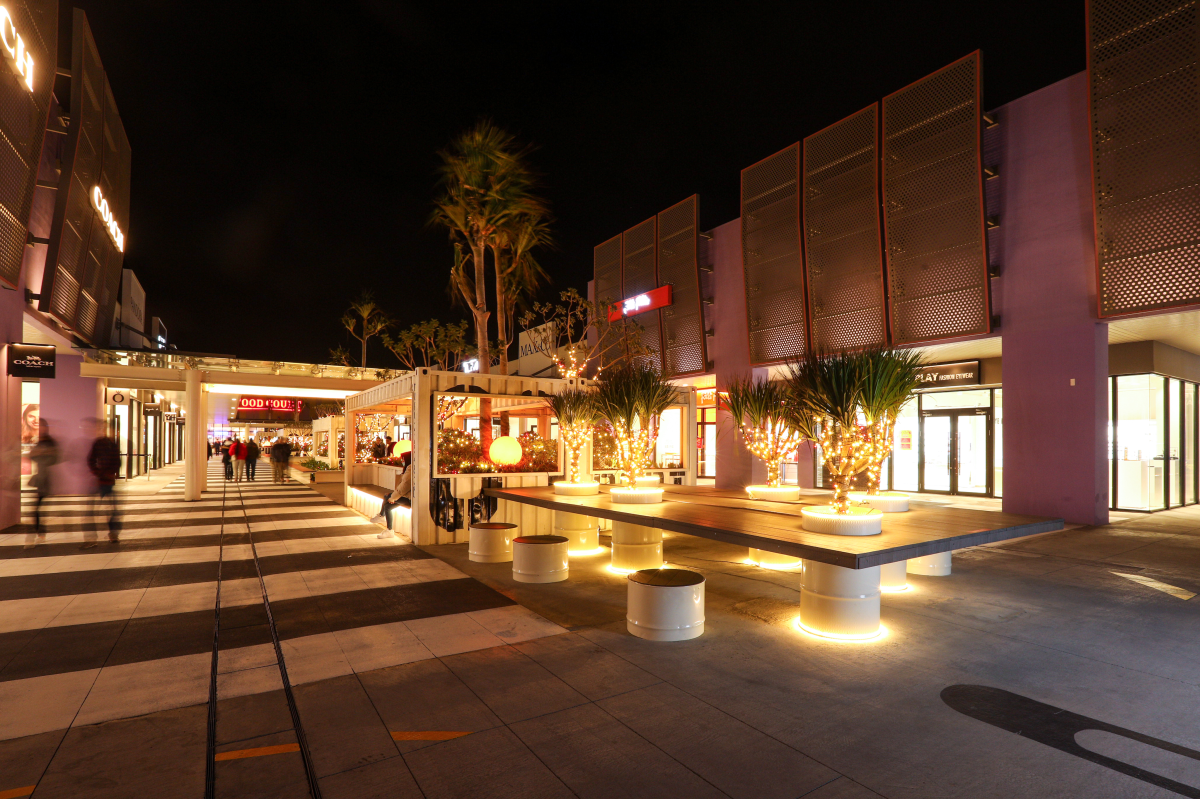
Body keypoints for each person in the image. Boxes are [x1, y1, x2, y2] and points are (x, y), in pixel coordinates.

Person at [84, 419, 121, 547]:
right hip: (99, 480)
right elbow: (91, 460)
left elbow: (117, 461)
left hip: (108, 481)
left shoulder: (112, 444)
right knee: (93, 510)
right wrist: (98, 473)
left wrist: (112, 473)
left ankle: (112, 534)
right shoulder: (99, 443)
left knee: (112, 510)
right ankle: (92, 538)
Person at [26, 420, 59, 547]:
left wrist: (42, 453)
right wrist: (39, 453)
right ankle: (40, 532)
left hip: (48, 477)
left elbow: (55, 458)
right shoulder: (40, 441)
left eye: (42, 426)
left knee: (39, 508)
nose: (40, 429)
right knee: (38, 508)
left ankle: (40, 533)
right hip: (41, 477)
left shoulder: (50, 442)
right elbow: (32, 456)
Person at [370, 452, 410, 531]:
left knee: (387, 496)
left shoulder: (410, 469)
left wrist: (393, 498)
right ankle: (389, 530)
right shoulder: (408, 469)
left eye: (403, 459)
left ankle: (381, 515)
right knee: (387, 507)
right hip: (406, 496)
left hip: (410, 498)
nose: (402, 461)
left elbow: (404, 487)